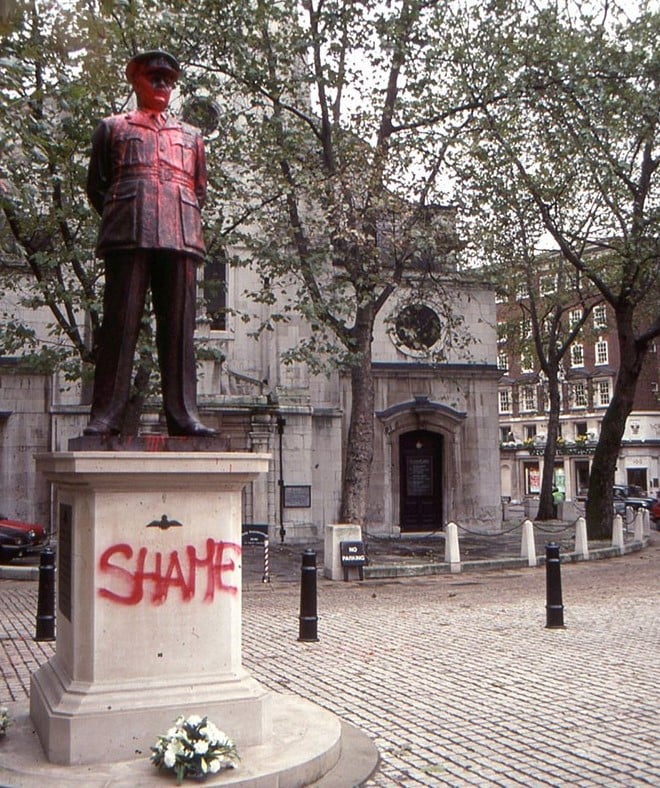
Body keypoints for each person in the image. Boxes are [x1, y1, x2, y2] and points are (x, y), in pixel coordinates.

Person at [84, 50, 215, 437]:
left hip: (180, 234)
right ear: (135, 81)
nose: (162, 85)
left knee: (179, 329)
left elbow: (198, 189)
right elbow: (98, 186)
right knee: (119, 324)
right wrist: (131, 210)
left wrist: (170, 212)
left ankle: (183, 414)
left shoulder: (191, 137)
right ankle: (106, 414)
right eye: (154, 77)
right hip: (129, 232)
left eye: (168, 80)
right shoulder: (112, 128)